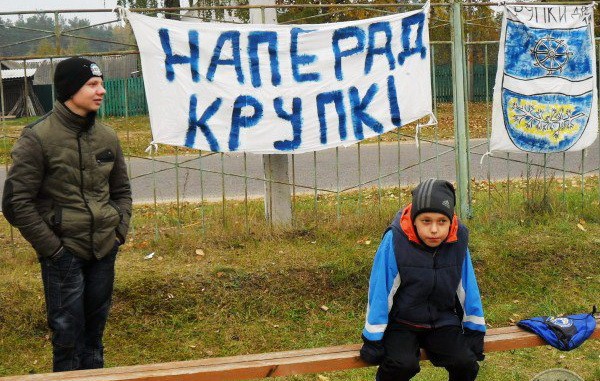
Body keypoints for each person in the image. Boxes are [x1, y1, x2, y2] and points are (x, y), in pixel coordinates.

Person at [2, 57, 132, 372]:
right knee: (67, 335)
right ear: (70, 89)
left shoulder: (107, 136)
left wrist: (117, 233)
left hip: (103, 249)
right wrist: (54, 250)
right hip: (64, 254)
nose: (101, 90)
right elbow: (16, 202)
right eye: (92, 84)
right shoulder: (38, 137)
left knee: (95, 334)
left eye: (100, 83)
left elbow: (122, 192)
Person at [359, 179, 485, 381]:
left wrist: (474, 330)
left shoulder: (457, 239)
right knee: (402, 365)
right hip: (402, 321)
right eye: (426, 221)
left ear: (451, 221)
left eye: (441, 221)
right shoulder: (396, 239)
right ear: (415, 220)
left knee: (466, 364)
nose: (434, 230)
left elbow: (467, 287)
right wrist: (373, 338)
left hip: (442, 319)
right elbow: (381, 289)